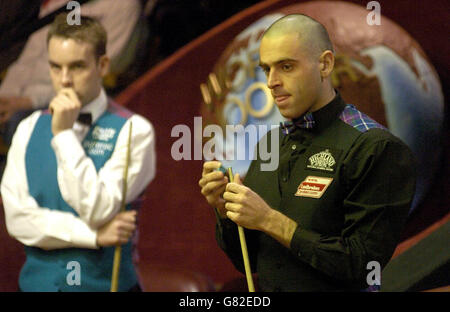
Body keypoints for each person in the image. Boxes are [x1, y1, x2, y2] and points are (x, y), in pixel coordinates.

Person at [199, 14, 416, 291]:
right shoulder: (271, 142)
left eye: (286, 66)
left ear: (325, 64)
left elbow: (362, 266)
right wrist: (225, 210)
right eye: (266, 69)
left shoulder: (376, 148)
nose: (271, 81)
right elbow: (252, 262)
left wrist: (269, 220)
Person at [1, 13, 155, 292]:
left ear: (103, 65)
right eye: (55, 67)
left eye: (77, 67)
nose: (64, 80)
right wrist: (93, 235)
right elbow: (18, 219)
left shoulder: (135, 131)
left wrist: (63, 136)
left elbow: (97, 209)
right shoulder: (27, 128)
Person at [0, 0, 145, 146]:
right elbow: (28, 59)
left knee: (22, 126)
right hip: (19, 94)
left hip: (65, 102)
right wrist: (6, 96)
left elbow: (93, 78)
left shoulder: (123, 6)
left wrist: (27, 102)